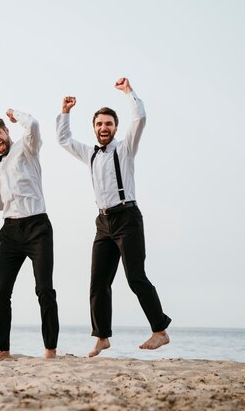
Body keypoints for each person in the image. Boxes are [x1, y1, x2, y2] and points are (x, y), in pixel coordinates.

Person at [56, 77, 171, 357]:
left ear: (116, 127)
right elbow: (63, 139)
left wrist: (128, 92)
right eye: (99, 124)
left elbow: (140, 117)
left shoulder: (125, 148)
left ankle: (160, 330)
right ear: (94, 128)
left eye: (108, 124)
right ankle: (102, 337)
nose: (103, 128)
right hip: (103, 222)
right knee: (98, 283)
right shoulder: (90, 154)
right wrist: (66, 111)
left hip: (127, 217)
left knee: (135, 277)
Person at [0, 109, 59, 360]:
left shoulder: (27, 147)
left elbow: (33, 123)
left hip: (37, 227)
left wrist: (16, 115)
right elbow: (1, 205)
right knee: (2, 292)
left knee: (44, 289)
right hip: (11, 231)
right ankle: (3, 350)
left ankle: (50, 350)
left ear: (6, 131)